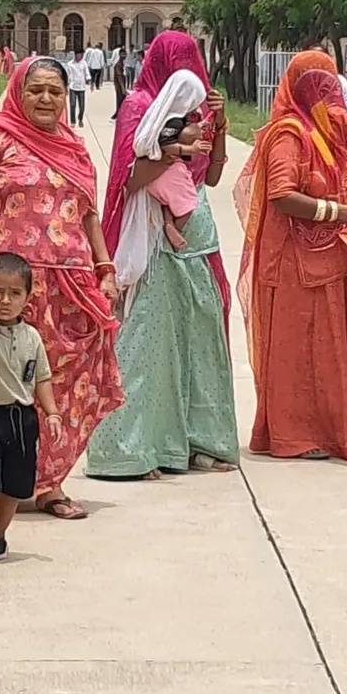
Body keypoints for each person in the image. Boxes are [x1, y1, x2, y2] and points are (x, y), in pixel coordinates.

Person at [234, 50, 347, 462]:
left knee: (337, 342)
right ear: (300, 90)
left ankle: (340, 430)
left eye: (329, 82)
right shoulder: (289, 133)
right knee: (299, 347)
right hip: (293, 262)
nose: (327, 91)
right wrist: (337, 211)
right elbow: (282, 195)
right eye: (318, 84)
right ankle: (294, 436)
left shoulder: (330, 126)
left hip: (332, 258)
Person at [88, 33, 238, 479]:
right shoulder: (140, 107)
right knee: (148, 344)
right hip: (154, 237)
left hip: (197, 236)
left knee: (200, 338)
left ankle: (198, 441)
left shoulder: (195, 111)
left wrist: (220, 124)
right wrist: (171, 149)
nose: (189, 72)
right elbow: (128, 179)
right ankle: (135, 447)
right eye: (180, 62)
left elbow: (209, 174)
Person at [0, 57, 122, 519]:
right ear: (18, 91)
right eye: (36, 90)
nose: (45, 99)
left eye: (54, 92)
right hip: (8, 287)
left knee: (64, 385)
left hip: (70, 285)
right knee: (0, 385)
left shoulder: (76, 148)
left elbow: (88, 215)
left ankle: (49, 483)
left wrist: (105, 269)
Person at [0, 253, 62, 569]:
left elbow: (41, 378)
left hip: (22, 420)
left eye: (15, 293)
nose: (5, 300)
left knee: (17, 484)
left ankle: (0, 535)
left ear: (27, 298)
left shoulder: (31, 337)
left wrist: (53, 412)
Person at [148, 110, 211, 251]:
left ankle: (169, 222)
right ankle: (176, 229)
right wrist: (191, 149)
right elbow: (166, 144)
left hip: (157, 177)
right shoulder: (174, 120)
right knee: (189, 204)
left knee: (168, 203)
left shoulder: (163, 116)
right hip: (171, 172)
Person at [66, 51, 91, 127]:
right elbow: (68, 75)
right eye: (80, 54)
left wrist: (89, 80)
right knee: (72, 105)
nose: (81, 56)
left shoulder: (84, 63)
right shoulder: (70, 64)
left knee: (82, 106)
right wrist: (66, 85)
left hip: (81, 87)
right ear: (76, 55)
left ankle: (80, 119)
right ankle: (73, 121)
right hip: (72, 87)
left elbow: (87, 73)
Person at [111, 48, 127, 119]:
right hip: (119, 86)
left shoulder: (123, 63)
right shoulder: (118, 65)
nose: (124, 55)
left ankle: (118, 113)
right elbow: (119, 77)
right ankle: (118, 114)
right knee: (120, 100)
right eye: (122, 54)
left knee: (122, 101)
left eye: (125, 54)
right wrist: (123, 88)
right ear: (119, 55)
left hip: (122, 86)